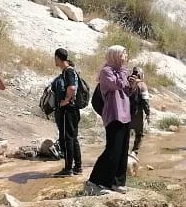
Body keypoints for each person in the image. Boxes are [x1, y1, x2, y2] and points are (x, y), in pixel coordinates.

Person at [88, 45, 133, 194]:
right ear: (114, 55)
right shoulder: (106, 71)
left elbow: (125, 91)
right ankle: (95, 181)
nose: (125, 56)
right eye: (123, 53)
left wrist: (132, 84)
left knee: (122, 150)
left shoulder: (122, 71)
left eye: (125, 53)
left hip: (125, 115)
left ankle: (117, 182)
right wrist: (123, 74)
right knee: (112, 150)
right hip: (114, 114)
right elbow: (116, 85)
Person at [52, 47, 82, 177]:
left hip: (68, 110)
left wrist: (65, 100)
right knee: (73, 137)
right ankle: (78, 167)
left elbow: (71, 87)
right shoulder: (71, 70)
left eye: (55, 58)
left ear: (58, 57)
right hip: (74, 110)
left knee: (68, 138)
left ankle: (68, 169)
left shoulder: (68, 71)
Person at [129, 65, 151, 154]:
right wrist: (148, 113)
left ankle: (123, 153)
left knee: (125, 134)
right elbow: (145, 101)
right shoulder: (142, 85)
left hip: (125, 113)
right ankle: (135, 152)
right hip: (137, 113)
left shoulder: (126, 82)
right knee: (139, 134)